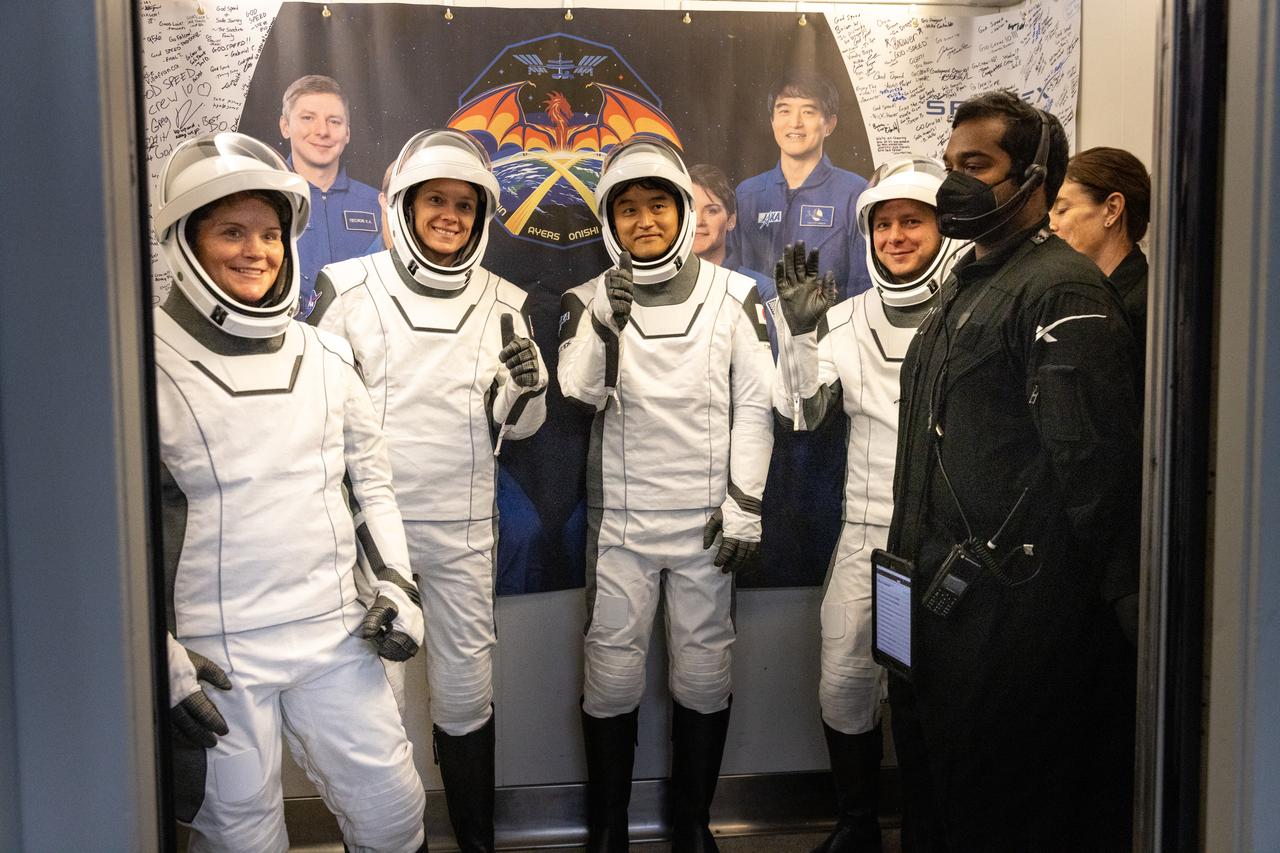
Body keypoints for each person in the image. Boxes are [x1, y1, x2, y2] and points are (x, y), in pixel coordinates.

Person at [152, 131, 427, 852]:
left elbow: (371, 483)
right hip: (215, 651)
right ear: (185, 239)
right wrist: (154, 648)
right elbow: (105, 528)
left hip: (334, 630)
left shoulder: (326, 352)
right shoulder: (138, 358)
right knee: (244, 838)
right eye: (231, 231)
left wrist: (396, 582)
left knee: (394, 814)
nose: (256, 250)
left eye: (270, 233)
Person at [886, 91, 1142, 850]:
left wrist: (1117, 619)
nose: (954, 182)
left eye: (977, 165)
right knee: (935, 805)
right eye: (950, 165)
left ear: (1033, 177)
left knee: (1001, 814)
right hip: (928, 606)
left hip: (1008, 629)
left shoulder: (1059, 289)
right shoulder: (968, 282)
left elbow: (1094, 472)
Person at [309, 128, 547, 853]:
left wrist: (524, 386)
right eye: (435, 201)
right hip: (371, 539)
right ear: (405, 207)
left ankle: (477, 843)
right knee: (373, 707)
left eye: (465, 205)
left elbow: (525, 425)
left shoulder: (505, 300)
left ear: (481, 216)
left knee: (468, 695)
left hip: (464, 529)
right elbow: (315, 416)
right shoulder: (346, 290)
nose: (450, 215)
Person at [557, 137, 774, 852]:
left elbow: (756, 405)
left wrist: (744, 506)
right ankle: (609, 828)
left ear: (684, 209)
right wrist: (602, 323)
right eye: (627, 209)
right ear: (609, 221)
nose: (644, 221)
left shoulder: (736, 296)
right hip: (622, 524)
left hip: (708, 524)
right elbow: (579, 392)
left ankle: (691, 824)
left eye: (657, 205)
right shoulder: (587, 298)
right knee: (611, 678)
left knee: (705, 674)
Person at [770, 156, 965, 853]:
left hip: (942, 538)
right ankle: (857, 825)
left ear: (943, 228)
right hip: (867, 536)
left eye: (912, 221)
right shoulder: (845, 318)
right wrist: (797, 335)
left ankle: (927, 829)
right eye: (883, 224)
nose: (895, 236)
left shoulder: (970, 309)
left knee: (924, 694)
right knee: (845, 683)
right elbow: (805, 413)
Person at [733, 71, 873, 304]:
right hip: (757, 336)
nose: (795, 122)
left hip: (829, 335)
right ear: (772, 121)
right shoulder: (747, 194)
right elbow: (731, 270)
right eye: (784, 110)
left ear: (830, 124)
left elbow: (863, 287)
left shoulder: (854, 193)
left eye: (808, 111)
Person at [278, 74, 381, 318]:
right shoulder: (266, 202)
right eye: (307, 118)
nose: (322, 131)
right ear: (285, 126)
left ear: (347, 133)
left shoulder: (379, 205)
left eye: (334, 121)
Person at [1050, 146, 1151, 349]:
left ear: (1112, 209)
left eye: (1062, 210)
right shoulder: (1074, 293)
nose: (1050, 224)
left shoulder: (1144, 307)